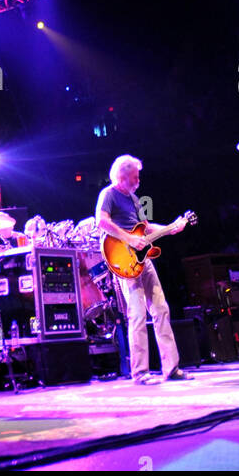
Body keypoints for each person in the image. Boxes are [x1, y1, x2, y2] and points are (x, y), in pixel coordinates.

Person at [95, 154, 192, 384]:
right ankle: (140, 373)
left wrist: (171, 228)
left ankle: (171, 368)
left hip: (143, 260)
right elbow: (101, 221)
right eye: (134, 177)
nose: (138, 181)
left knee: (161, 309)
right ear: (122, 176)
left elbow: (146, 229)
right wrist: (128, 238)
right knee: (137, 314)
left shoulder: (135, 200)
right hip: (123, 259)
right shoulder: (108, 194)